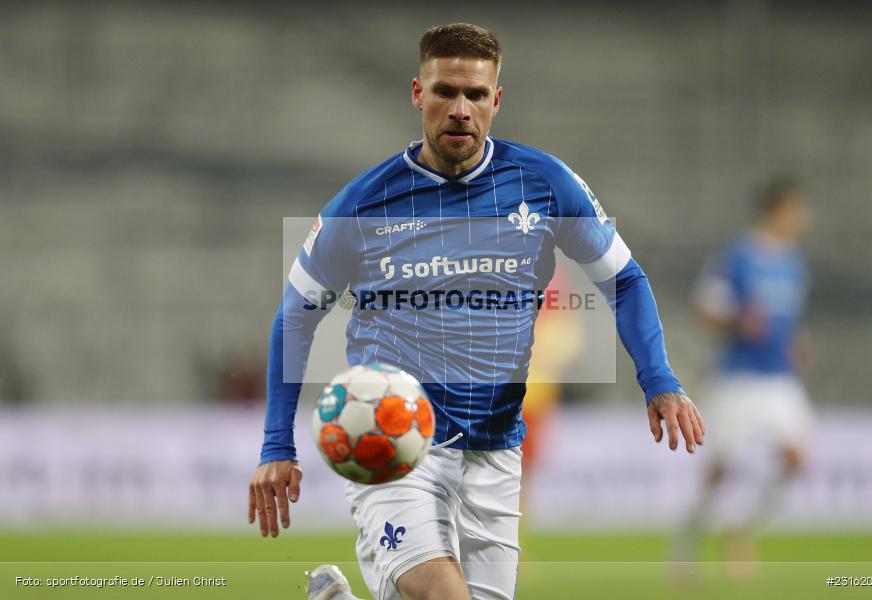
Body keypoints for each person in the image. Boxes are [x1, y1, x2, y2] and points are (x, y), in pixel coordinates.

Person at [248, 23, 704, 600]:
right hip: (393, 438)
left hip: (495, 448)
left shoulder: (544, 184)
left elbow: (625, 279)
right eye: (445, 92)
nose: (460, 109)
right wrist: (275, 446)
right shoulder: (362, 205)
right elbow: (295, 315)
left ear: (496, 101)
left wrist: (658, 378)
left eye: (476, 95)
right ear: (418, 94)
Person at [673, 177, 812, 576]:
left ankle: (740, 528)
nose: (802, 218)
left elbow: (785, 318)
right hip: (737, 378)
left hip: (779, 378)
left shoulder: (793, 261)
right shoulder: (738, 256)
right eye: (796, 210)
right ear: (777, 210)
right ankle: (688, 541)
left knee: (796, 458)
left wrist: (795, 342)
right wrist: (737, 322)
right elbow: (704, 308)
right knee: (721, 469)